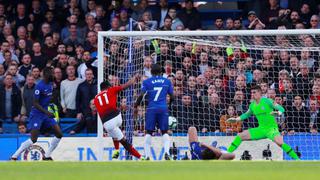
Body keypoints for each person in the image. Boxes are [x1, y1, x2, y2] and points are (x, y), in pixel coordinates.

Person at [226, 85, 300, 160]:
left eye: (254, 92)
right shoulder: (252, 105)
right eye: (251, 93)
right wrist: (236, 119)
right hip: (261, 129)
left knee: (280, 142)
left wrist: (278, 113)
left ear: (260, 93)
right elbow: (246, 114)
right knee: (240, 135)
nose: (252, 94)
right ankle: (226, 155)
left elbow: (281, 109)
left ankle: (297, 160)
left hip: (271, 129)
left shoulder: (267, 101)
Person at [11, 67, 63, 161]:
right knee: (33, 139)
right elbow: (35, 103)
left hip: (46, 113)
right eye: (52, 73)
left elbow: (47, 99)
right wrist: (47, 112)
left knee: (59, 134)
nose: (53, 75)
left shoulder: (51, 84)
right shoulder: (39, 86)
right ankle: (14, 156)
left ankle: (47, 155)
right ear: (46, 75)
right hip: (37, 114)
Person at [94, 75, 142, 160]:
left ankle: (116, 150)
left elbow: (100, 112)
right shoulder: (111, 89)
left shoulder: (96, 98)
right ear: (108, 87)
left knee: (113, 131)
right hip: (117, 118)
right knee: (123, 141)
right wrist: (134, 78)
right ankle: (141, 157)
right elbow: (126, 85)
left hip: (106, 123)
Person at [134, 64, 174, 160]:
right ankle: (167, 153)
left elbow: (142, 95)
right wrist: (169, 105)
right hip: (163, 108)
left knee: (148, 132)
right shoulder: (167, 81)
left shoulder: (147, 81)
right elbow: (172, 96)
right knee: (164, 132)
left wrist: (136, 105)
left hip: (151, 108)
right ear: (161, 72)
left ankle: (147, 156)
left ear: (151, 72)